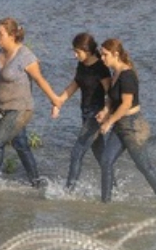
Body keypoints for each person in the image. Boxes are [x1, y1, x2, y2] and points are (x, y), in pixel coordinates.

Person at [0, 17, 62, 189]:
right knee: (21, 144)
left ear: (12, 35)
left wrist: (55, 100)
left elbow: (40, 80)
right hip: (3, 109)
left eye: (0, 34)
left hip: (21, 109)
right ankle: (37, 182)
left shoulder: (25, 56)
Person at [96, 37, 156, 202]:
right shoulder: (115, 73)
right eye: (101, 54)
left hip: (133, 127)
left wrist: (109, 122)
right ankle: (105, 203)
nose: (102, 58)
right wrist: (105, 111)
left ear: (115, 54)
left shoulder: (127, 75)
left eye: (105, 55)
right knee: (106, 161)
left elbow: (126, 104)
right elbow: (112, 99)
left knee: (144, 167)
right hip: (120, 125)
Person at [52, 32, 111, 192]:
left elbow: (110, 93)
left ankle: (68, 191)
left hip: (96, 115)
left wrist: (106, 112)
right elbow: (74, 85)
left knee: (77, 152)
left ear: (88, 50)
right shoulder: (82, 65)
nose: (75, 55)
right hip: (85, 114)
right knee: (101, 155)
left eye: (77, 52)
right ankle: (113, 188)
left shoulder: (101, 68)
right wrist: (58, 103)